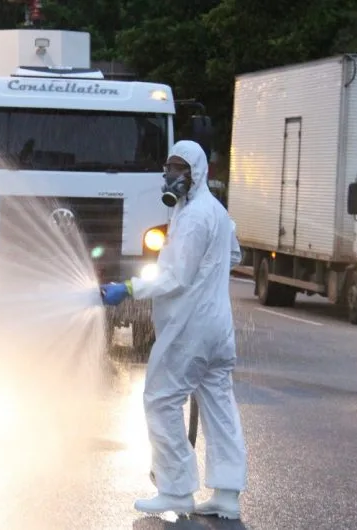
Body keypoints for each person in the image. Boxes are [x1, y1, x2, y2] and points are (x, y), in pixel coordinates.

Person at [100, 140, 247, 519]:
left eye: (181, 168)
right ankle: (227, 494)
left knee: (161, 399)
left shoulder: (196, 216)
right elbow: (233, 254)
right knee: (218, 405)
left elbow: (175, 277)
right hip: (217, 326)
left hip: (190, 327)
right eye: (169, 167)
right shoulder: (211, 210)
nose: (172, 175)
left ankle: (176, 490)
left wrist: (130, 288)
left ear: (197, 173)